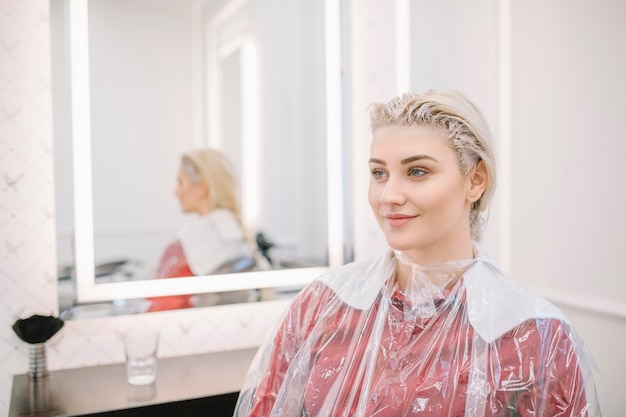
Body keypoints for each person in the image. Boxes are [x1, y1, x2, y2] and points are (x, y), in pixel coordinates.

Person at [233, 90, 601, 416]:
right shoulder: (321, 306)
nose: (389, 195)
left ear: (475, 180)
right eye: (379, 173)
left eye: (418, 171)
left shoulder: (532, 335)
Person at [147, 148, 259, 312]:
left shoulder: (183, 247)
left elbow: (158, 306)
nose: (175, 192)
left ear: (202, 188)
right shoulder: (240, 236)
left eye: (180, 182)